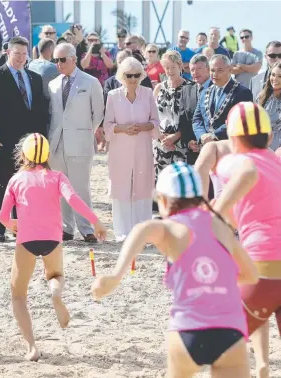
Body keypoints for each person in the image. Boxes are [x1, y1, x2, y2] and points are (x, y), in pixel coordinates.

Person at [92, 161, 258, 378]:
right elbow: (250, 274)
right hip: (230, 332)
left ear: (162, 200)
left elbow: (142, 229)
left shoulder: (170, 228)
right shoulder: (220, 226)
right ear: (200, 197)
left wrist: (116, 275)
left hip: (187, 330)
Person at [0, 133, 107, 361]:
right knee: (55, 275)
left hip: (26, 240)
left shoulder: (16, 179)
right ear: (47, 155)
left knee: (18, 295)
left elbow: (2, 216)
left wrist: (12, 225)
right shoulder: (57, 177)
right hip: (52, 239)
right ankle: (55, 294)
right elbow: (74, 199)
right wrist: (95, 221)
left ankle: (31, 347)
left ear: (23, 154)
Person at [213, 102, 281, 378]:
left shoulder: (237, 162)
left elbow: (221, 215)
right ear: (269, 136)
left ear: (233, 139)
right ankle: (263, 365)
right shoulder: (276, 162)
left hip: (264, 264)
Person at [0, 36, 48, 243]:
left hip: (29, 142)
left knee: (26, 185)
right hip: (2, 139)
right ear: (7, 53)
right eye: (16, 53)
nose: (20, 58)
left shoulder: (35, 78)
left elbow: (39, 109)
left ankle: (21, 225)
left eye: (24, 54)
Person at [48, 43, 104, 243]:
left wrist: (84, 132)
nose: (59, 64)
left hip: (80, 141)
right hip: (56, 143)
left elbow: (98, 114)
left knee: (81, 188)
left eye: (62, 60)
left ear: (73, 59)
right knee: (61, 189)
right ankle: (66, 228)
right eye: (55, 60)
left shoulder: (90, 82)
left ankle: (87, 228)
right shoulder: (53, 84)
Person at [104, 57, 160, 241]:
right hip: (120, 148)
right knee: (121, 186)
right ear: (122, 76)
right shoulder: (113, 95)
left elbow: (155, 122)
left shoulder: (148, 94)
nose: (133, 79)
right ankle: (122, 232)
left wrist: (143, 127)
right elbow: (107, 126)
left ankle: (142, 231)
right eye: (129, 75)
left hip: (142, 147)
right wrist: (123, 129)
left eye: (137, 75)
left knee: (142, 185)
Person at [193, 54, 253, 145]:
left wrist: (214, 136)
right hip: (206, 146)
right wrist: (202, 136)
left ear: (229, 69)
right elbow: (197, 119)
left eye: (220, 70)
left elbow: (240, 120)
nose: (215, 74)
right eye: (212, 70)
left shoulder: (243, 92)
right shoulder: (205, 92)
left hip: (229, 147)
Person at [153, 50, 190, 179]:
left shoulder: (190, 88)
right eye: (167, 68)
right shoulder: (159, 88)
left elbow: (191, 118)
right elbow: (151, 114)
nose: (170, 71)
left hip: (181, 144)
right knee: (160, 182)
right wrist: (160, 135)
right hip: (160, 142)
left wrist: (176, 136)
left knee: (179, 182)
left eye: (173, 67)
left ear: (180, 66)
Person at [179, 54, 212, 164]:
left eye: (199, 68)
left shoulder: (218, 88)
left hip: (213, 148)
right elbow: (183, 120)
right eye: (192, 69)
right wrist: (189, 141)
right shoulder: (186, 90)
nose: (195, 72)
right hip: (192, 153)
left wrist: (203, 141)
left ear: (208, 69)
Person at [258, 62, 281, 150]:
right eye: (273, 75)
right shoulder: (261, 96)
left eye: (280, 76)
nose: (275, 79)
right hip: (261, 145)